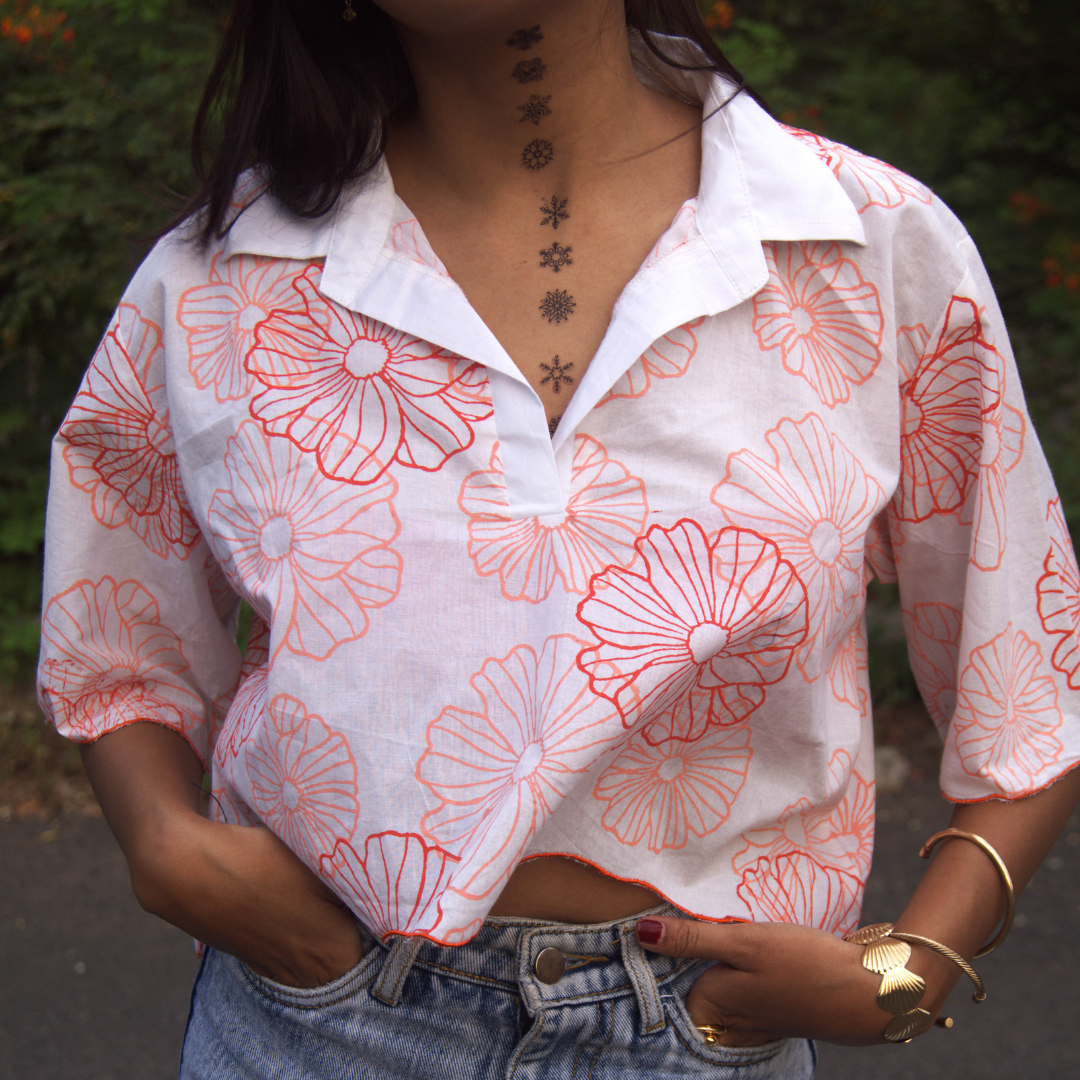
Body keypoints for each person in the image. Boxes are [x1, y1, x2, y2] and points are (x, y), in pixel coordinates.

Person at [36, 1, 1080, 1077]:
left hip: (702, 1036)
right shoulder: (224, 280)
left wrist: (919, 960)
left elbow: (1032, 677)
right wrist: (163, 841)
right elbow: (119, 642)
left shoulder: (862, 247)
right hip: (321, 1023)